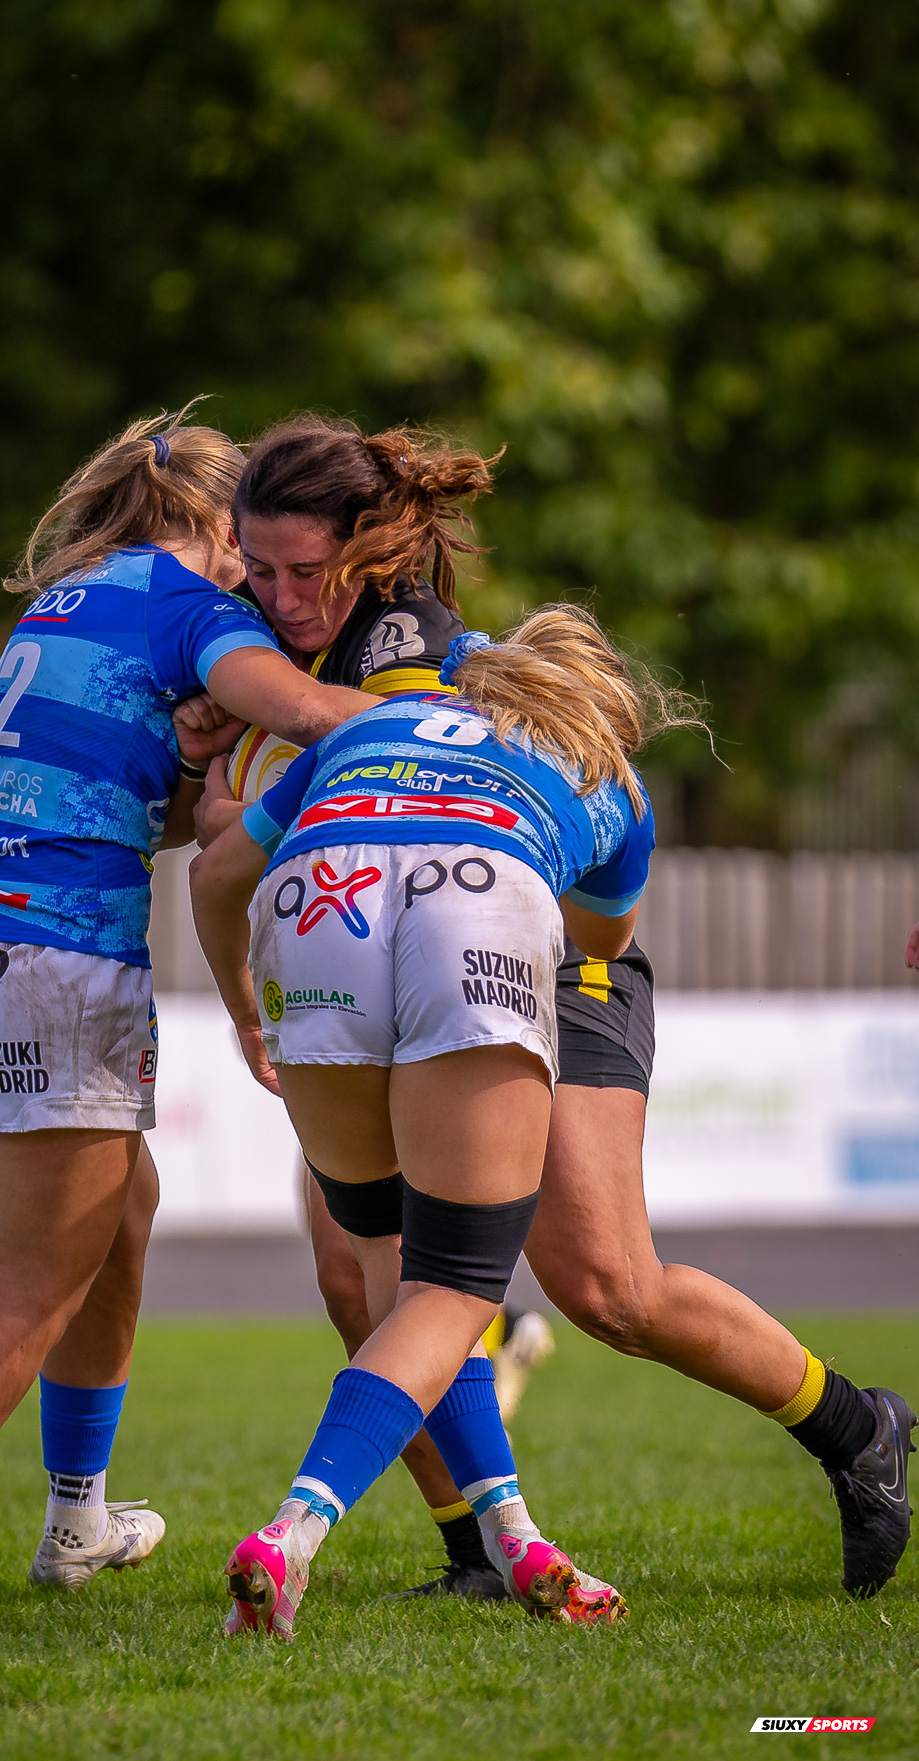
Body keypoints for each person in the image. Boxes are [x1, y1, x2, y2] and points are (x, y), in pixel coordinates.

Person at [184, 413, 917, 1605]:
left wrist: (233, 798)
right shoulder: (241, 643)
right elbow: (214, 820)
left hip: (543, 943)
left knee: (604, 1288)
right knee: (358, 1264)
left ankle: (851, 1427)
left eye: (300, 572)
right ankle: (481, 1547)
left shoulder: (412, 646)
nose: (276, 596)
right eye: (253, 568)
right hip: (379, 937)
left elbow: (267, 821)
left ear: (368, 552)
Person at [0, 405, 377, 1612]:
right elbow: (309, 714)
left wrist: (192, 751)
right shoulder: (196, 610)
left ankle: (77, 1521)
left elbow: (106, 788)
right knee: (32, 1285)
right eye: (255, 562)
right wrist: (469, 730)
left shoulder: (65, 601)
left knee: (123, 1211)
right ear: (223, 525)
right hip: (54, 957)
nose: (265, 588)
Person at [190, 607, 674, 1637]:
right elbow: (596, 935)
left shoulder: (363, 730)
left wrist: (243, 1010)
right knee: (456, 1288)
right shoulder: (604, 771)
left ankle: (513, 1543)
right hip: (478, 902)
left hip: (317, 905)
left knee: (394, 1270)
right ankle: (287, 1537)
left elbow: (216, 872)